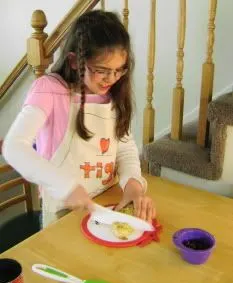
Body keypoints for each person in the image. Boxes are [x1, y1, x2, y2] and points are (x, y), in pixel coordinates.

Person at [3, 10, 156, 228]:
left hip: (106, 200)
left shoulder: (113, 93)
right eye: (102, 70)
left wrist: (133, 184)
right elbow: (14, 148)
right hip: (64, 211)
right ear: (75, 61)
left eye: (119, 70)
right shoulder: (50, 90)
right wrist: (66, 186)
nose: (111, 78)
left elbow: (125, 148)